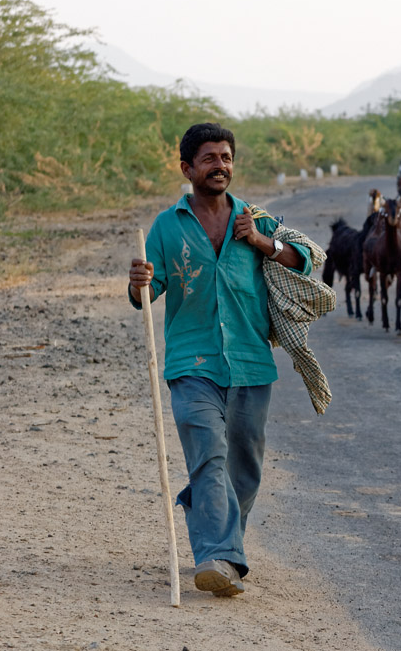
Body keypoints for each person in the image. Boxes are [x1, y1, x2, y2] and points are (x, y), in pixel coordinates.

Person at [128, 122, 311, 597]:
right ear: (188, 168)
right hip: (191, 363)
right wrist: (139, 282)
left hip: (251, 362)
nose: (220, 166)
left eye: (226, 157)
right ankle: (218, 558)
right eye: (209, 158)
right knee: (208, 455)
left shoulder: (254, 219)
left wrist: (260, 242)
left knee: (244, 469)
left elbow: (306, 260)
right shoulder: (168, 225)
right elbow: (149, 294)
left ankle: (217, 537)